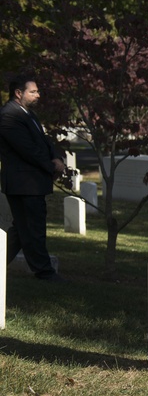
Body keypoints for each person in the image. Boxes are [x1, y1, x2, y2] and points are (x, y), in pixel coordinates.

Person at [0, 75, 67, 282]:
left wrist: (56, 158)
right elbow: (27, 149)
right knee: (33, 228)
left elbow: (43, 142)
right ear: (18, 93)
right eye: (33, 91)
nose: (38, 95)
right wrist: (49, 166)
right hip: (23, 183)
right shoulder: (9, 115)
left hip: (31, 182)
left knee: (21, 230)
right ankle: (44, 272)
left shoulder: (28, 114)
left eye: (37, 91)